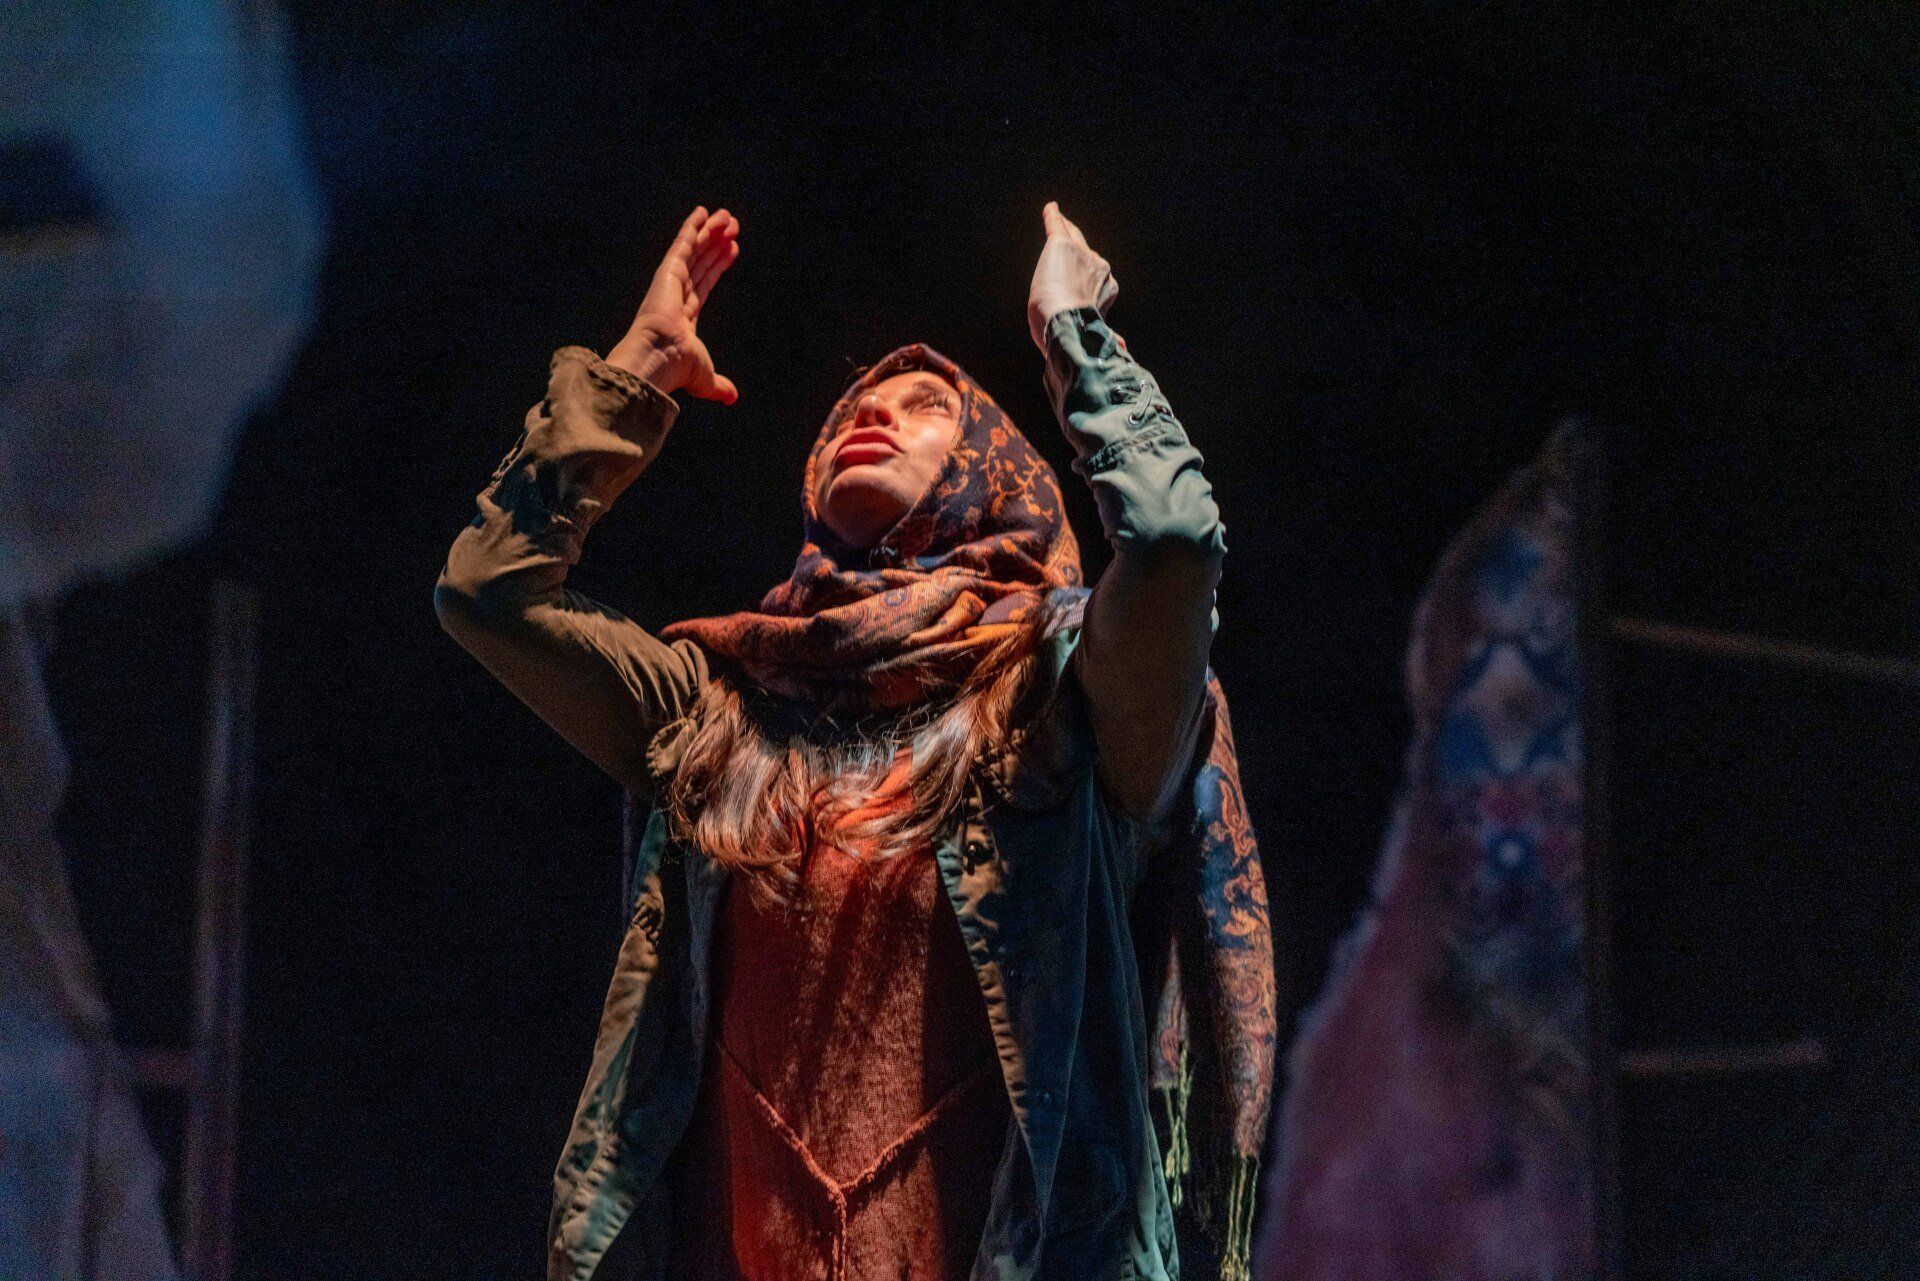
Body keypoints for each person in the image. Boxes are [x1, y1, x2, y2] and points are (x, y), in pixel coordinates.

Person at [435, 203, 1274, 1281]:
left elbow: (1169, 542)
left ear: (994, 467)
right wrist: (636, 369)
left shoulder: (1060, 696)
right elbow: (486, 594)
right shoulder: (723, 709)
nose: (872, 418)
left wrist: (1075, 336)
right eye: (850, 415)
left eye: (925, 407)